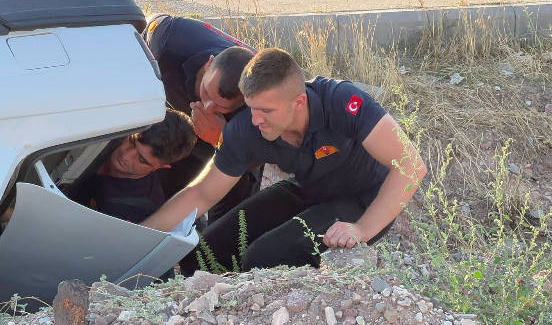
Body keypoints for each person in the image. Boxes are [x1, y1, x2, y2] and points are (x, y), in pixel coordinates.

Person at [140, 48, 427, 274]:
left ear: (298, 103)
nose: (255, 120)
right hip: (308, 189)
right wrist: (138, 238)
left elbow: (411, 166)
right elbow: (201, 193)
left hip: (364, 200)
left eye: (266, 110)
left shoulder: (341, 102)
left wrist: (363, 228)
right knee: (202, 257)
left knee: (263, 258)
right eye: (251, 108)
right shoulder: (248, 127)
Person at [142, 14, 258, 225]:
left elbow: (258, 159)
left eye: (223, 107)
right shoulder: (168, 42)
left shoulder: (259, 101)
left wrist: (223, 140)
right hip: (174, 125)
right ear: (208, 64)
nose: (207, 108)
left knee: (232, 208)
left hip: (225, 153)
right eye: (206, 93)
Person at [0, 108, 197, 225]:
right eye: (131, 142)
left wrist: (5, 213)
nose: (126, 156)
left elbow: (69, 236)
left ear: (161, 168)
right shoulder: (108, 128)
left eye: (142, 160)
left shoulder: (132, 209)